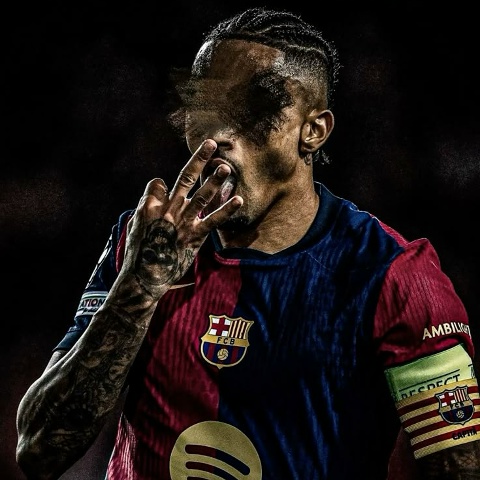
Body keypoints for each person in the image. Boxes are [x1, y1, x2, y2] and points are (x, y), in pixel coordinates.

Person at [15, 7, 480, 480]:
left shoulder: (394, 277)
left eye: (254, 111)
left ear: (313, 131)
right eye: (207, 110)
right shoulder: (142, 246)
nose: (220, 134)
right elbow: (38, 449)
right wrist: (139, 287)